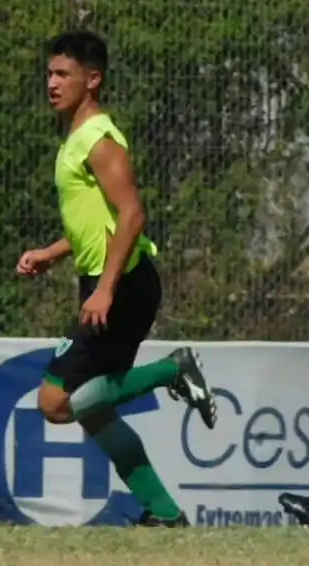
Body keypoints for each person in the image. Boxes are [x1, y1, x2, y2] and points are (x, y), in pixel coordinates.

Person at [16, 30, 219, 527]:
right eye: (49, 73)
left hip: (123, 286)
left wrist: (105, 288)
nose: (52, 83)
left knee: (59, 402)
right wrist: (54, 251)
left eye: (63, 74)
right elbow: (98, 220)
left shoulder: (99, 139)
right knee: (92, 408)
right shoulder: (72, 137)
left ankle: (174, 370)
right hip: (104, 282)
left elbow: (132, 215)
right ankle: (165, 512)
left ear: (93, 79)